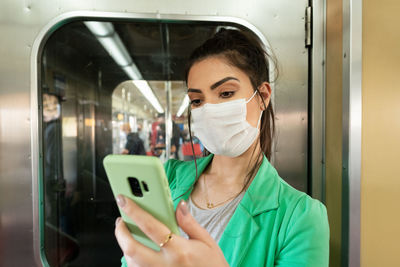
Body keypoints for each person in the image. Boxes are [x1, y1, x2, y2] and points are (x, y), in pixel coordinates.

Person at [114, 29, 329, 266]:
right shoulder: (167, 178)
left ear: (263, 96)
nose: (209, 110)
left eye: (226, 94)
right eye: (197, 100)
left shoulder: (300, 217)